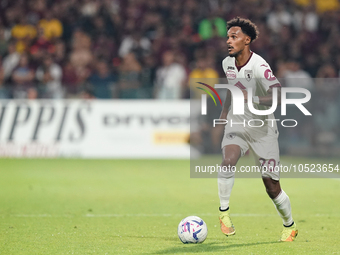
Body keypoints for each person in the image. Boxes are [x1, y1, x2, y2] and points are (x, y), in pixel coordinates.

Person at [217, 17, 298, 242]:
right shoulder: (227, 63)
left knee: (272, 187)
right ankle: (223, 213)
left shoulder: (260, 66)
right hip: (237, 123)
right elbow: (231, 89)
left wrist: (251, 97)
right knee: (228, 160)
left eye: (234, 37)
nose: (228, 41)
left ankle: (289, 225)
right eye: (228, 37)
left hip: (263, 129)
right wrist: (224, 115)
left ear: (247, 40)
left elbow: (279, 96)